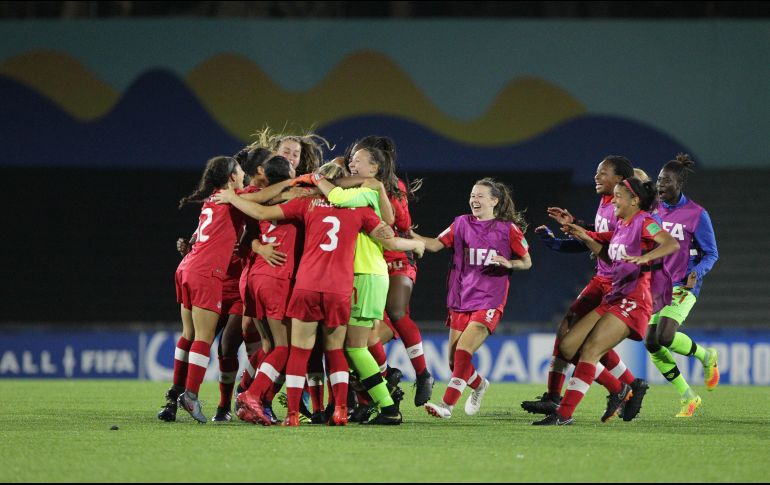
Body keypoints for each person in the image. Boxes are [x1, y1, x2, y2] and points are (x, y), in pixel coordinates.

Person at [213, 162, 425, 426]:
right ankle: (340, 411)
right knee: (336, 349)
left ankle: (292, 415)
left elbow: (259, 211)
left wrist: (233, 197)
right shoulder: (359, 210)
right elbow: (390, 237)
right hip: (340, 288)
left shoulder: (307, 205)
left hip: (307, 285)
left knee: (298, 350)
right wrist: (416, 244)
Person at [533, 176, 680, 425]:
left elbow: (670, 243)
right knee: (569, 346)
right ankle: (624, 388)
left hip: (633, 300)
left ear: (634, 201)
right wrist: (578, 231)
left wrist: (646, 258)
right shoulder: (621, 225)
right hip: (614, 297)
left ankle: (563, 415)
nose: (614, 201)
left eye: (619, 197)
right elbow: (604, 251)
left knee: (590, 350)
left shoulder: (645, 222)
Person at [522, 156, 649, 421]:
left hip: (615, 284)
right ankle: (620, 386)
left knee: (585, 345)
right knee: (571, 333)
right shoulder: (607, 203)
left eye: (602, 173)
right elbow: (599, 235)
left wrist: (577, 234)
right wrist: (571, 230)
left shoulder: (631, 216)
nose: (596, 176)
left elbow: (609, 249)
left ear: (621, 183)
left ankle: (609, 390)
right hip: (602, 279)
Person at [410, 178, 532, 419]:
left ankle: (446, 405)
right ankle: (479, 385)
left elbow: (527, 261)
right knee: (454, 364)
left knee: (464, 351)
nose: (474, 200)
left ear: (494, 201)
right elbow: (434, 245)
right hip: (461, 298)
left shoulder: (509, 229)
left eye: (480, 196)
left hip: (489, 300)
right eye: (472, 195)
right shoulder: (461, 224)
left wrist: (510, 263)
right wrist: (407, 234)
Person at [312, 145, 411, 424]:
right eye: (351, 161)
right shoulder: (368, 189)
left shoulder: (358, 194)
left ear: (375, 168)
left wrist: (316, 178)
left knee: (354, 347)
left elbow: (335, 195)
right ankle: (372, 398)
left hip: (363, 275)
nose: (353, 165)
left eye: (359, 161)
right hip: (365, 275)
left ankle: (388, 407)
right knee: (353, 345)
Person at [162, 156, 246, 423]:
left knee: (188, 334)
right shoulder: (234, 198)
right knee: (204, 337)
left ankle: (174, 393)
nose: (244, 175)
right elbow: (264, 199)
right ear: (232, 176)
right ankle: (191, 395)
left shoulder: (212, 199)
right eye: (241, 171)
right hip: (207, 273)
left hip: (186, 266)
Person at [646, 154, 719, 417]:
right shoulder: (653, 210)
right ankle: (688, 396)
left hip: (683, 284)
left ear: (679, 184)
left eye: (666, 181)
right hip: (657, 285)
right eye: (658, 180)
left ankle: (706, 356)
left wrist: (697, 273)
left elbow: (711, 253)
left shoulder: (697, 215)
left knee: (665, 336)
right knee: (652, 344)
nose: (660, 185)